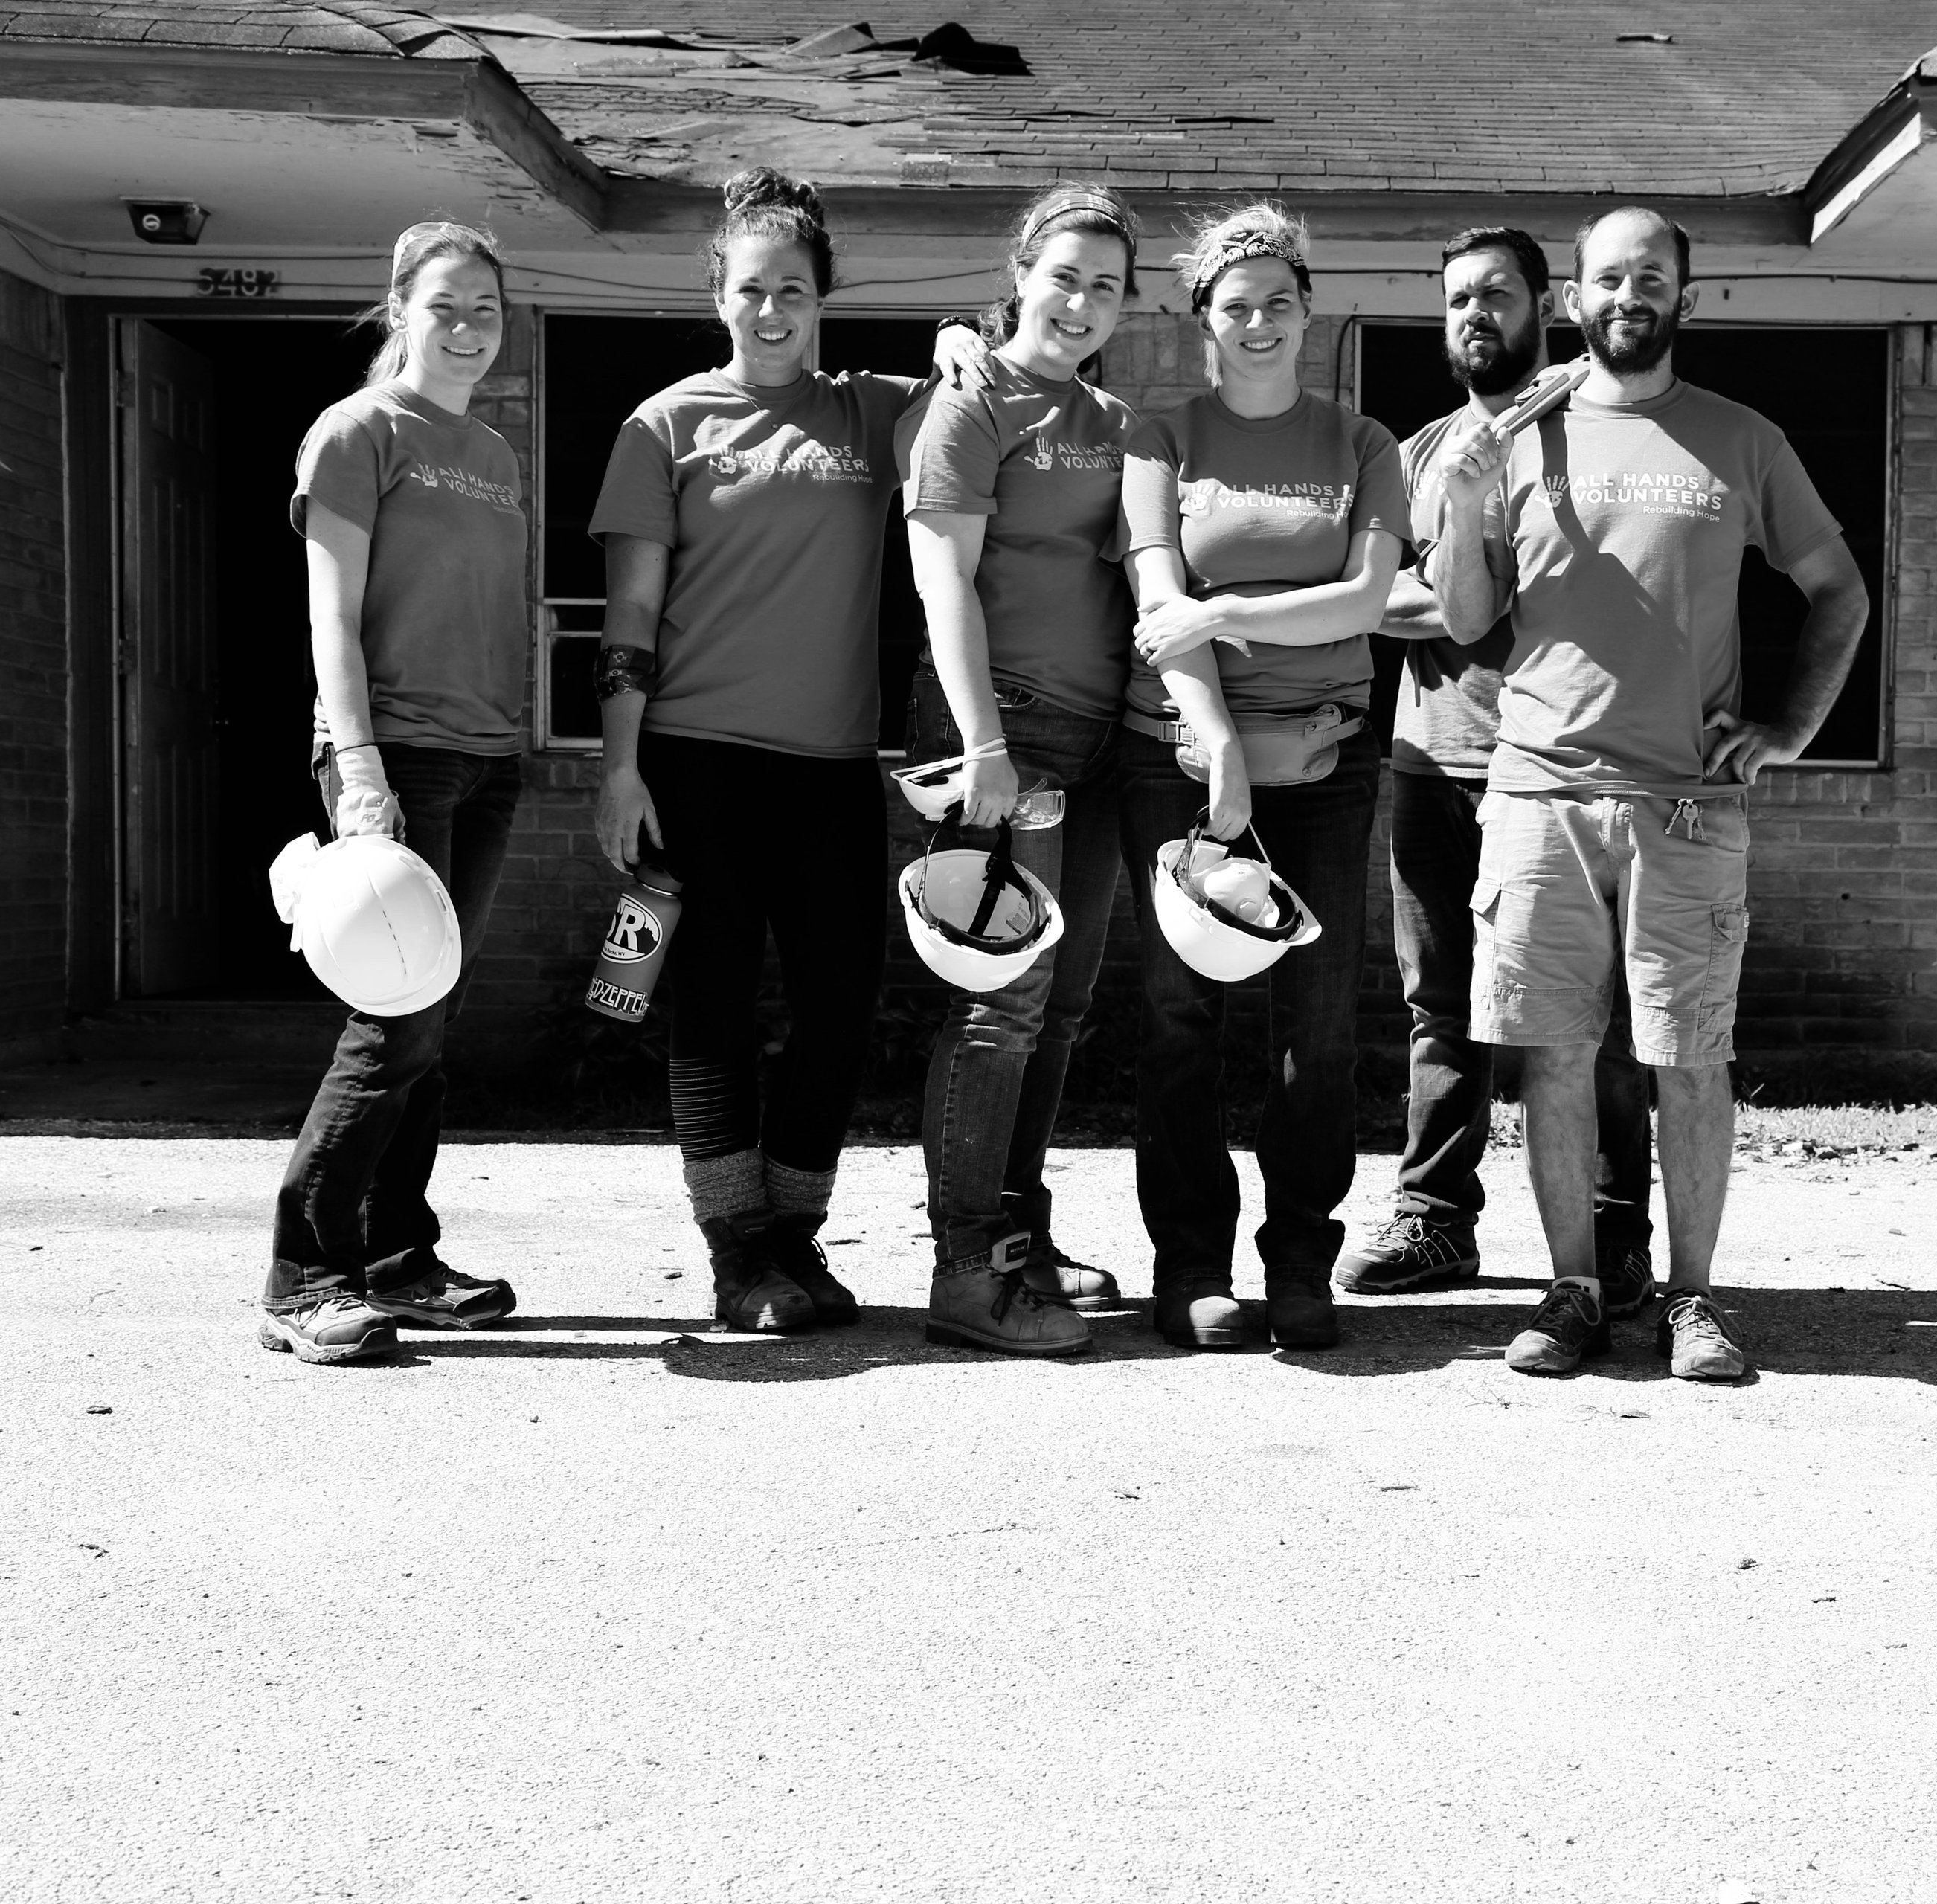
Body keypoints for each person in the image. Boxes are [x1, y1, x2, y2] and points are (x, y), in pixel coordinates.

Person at [1433, 206, 1871, 1382]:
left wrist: (1788, 727)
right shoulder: (1516, 437)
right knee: (1554, 1055)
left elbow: (1839, 590)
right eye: (1609, 278)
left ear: (1688, 298)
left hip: (1687, 802)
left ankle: (1692, 1299)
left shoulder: (1741, 438)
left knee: (1691, 1057)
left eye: (1653, 278)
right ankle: (1573, 1289)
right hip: (1538, 795)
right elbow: (1470, 621)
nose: (1630, 294)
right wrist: (1469, 497)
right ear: (1573, 299)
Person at [588, 168, 980, 1333]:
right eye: (752, 289)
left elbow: (989, 389)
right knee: (708, 1004)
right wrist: (619, 767)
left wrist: (961, 337)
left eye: (795, 292)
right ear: (719, 293)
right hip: (695, 764)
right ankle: (735, 1250)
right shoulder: (664, 425)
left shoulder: (870, 411)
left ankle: (796, 1239)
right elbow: (627, 622)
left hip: (828, 769)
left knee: (842, 1004)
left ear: (824, 300)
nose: (773, 311)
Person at [1335, 225, 1658, 1312]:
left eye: (1498, 296)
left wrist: (1465, 587)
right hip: (1432, 755)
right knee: (1440, 1005)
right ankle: (1436, 1220)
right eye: (1458, 300)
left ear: (1546, 304)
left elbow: (1545, 593)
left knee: (1594, 1014)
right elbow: (1363, 597)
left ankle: (1616, 1237)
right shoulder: (1421, 453)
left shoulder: (1589, 438)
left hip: (1568, 767)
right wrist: (1467, 588)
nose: (1476, 315)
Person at [1115, 202, 1410, 1352]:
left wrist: (1225, 609)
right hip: (1175, 757)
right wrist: (1219, 746)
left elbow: (1364, 604)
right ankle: (1190, 1264)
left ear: (1307, 313)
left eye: (1278, 303)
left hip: (1330, 761)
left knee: (1320, 1025)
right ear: (1204, 321)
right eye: (1234, 306)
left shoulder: (1362, 444)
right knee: (1180, 1017)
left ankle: (1300, 1261)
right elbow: (1152, 606)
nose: (1257, 324)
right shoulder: (1162, 439)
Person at [260, 221, 528, 1365]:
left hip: (483, 754)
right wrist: (359, 768)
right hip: (392, 754)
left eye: (485, 309)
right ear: (399, 311)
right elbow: (332, 613)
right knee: (394, 1015)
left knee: (436, 1014)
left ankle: (396, 1256)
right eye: (445, 306)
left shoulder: (497, 452)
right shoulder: (358, 433)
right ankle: (301, 1274)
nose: (466, 328)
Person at [900, 183, 1146, 1357]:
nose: (1083, 301)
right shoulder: (970, 401)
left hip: (1098, 741)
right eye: (1065, 276)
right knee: (1000, 1005)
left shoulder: (1110, 415)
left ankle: (1020, 1233)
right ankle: (966, 1265)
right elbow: (941, 580)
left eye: (1107, 285)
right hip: (1001, 729)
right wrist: (983, 749)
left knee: (1062, 1007)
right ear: (1020, 275)